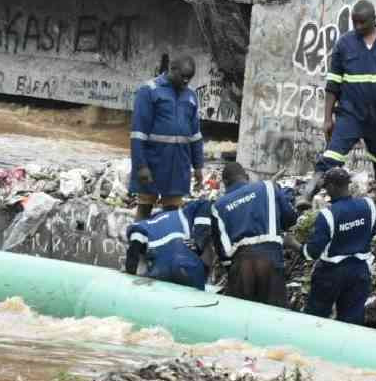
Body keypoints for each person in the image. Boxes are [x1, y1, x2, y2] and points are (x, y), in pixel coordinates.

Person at [296, 0, 376, 214]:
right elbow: (333, 84)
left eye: (362, 22)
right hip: (349, 114)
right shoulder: (344, 43)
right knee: (331, 157)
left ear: (374, 20)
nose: (357, 26)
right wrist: (327, 118)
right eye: (354, 22)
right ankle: (307, 194)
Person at [285, 168, 376, 325]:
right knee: (352, 321)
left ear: (333, 187)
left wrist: (292, 243)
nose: (326, 191)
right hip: (360, 271)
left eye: (326, 187)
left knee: (316, 319)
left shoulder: (328, 215)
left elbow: (310, 253)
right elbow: (372, 232)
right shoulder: (369, 206)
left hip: (331, 274)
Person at [205, 162, 297, 307]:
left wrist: (234, 271)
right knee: (275, 315)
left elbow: (222, 252)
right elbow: (290, 218)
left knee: (240, 315)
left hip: (241, 265)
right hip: (270, 259)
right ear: (247, 177)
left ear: (225, 183)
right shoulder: (267, 187)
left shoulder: (218, 206)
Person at [129, 55, 204, 221]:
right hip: (153, 162)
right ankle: (138, 244)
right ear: (172, 69)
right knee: (144, 208)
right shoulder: (149, 91)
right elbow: (138, 133)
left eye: (189, 78)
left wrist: (198, 166)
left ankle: (163, 246)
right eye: (183, 76)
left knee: (172, 215)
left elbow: (195, 135)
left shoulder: (191, 96)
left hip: (178, 165)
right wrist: (141, 166)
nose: (186, 81)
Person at [125, 199, 212, 290]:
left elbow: (133, 251)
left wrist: (129, 272)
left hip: (161, 271)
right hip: (190, 266)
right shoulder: (182, 214)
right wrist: (199, 241)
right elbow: (204, 203)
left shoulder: (142, 225)